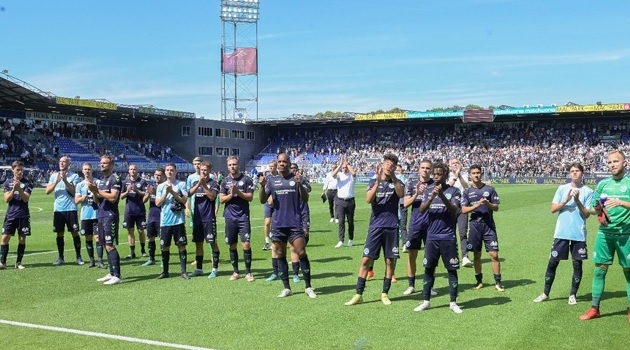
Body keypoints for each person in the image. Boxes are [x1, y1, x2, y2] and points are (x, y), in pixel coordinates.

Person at [345, 154, 404, 306]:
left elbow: (401, 194)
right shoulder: (373, 181)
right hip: (375, 226)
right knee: (366, 260)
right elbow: (368, 199)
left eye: (392, 164)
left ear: (395, 167)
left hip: (391, 226)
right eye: (387, 163)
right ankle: (358, 294)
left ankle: (384, 293)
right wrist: (378, 181)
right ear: (383, 164)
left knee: (390, 261)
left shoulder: (397, 182)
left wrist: (394, 178)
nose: (389, 166)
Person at [580, 150, 630, 321]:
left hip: (626, 235)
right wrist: (600, 213)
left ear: (625, 163)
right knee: (599, 271)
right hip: (605, 235)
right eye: (609, 162)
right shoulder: (603, 184)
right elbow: (596, 209)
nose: (612, 165)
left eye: (616, 161)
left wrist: (621, 202)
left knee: (628, 272)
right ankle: (595, 308)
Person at [534, 162, 593, 304]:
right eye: (572, 171)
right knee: (552, 263)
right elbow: (553, 209)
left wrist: (577, 200)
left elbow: (587, 214)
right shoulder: (562, 189)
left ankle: (573, 294)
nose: (575, 173)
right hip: (561, 233)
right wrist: (566, 200)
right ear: (569, 173)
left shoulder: (589, 192)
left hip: (578, 235)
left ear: (582, 173)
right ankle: (545, 293)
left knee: (577, 265)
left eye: (577, 171)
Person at [259, 153, 316, 298]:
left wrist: (299, 185)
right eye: (280, 161)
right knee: (280, 254)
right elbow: (262, 199)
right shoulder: (272, 181)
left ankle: (308, 286)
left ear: (289, 163)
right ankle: (286, 287)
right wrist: (262, 186)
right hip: (278, 224)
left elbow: (305, 198)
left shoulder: (296, 179)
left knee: (301, 251)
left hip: (294, 223)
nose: (282, 163)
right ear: (277, 163)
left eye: (285, 161)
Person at [413, 161, 463, 314]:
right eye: (434, 174)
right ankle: (426, 301)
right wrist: (431, 197)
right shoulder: (428, 190)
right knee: (429, 269)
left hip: (448, 236)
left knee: (451, 270)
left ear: (445, 175)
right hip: (431, 237)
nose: (436, 176)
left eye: (439, 174)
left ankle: (453, 302)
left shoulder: (454, 191)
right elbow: (421, 209)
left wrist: (441, 195)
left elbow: (454, 210)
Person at [461, 165, 505, 292]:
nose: (476, 175)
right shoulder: (467, 192)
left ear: (481, 174)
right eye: (473, 173)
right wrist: (476, 206)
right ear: (470, 175)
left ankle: (498, 282)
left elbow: (496, 207)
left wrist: (487, 204)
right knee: (476, 255)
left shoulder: (490, 189)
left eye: (478, 173)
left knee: (494, 254)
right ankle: (479, 281)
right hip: (475, 225)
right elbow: (464, 210)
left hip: (488, 225)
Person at [402, 159, 437, 296]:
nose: (425, 170)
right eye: (422, 167)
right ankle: (411, 285)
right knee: (412, 255)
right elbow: (405, 204)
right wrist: (417, 193)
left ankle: (430, 286)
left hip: (431, 225)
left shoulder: (435, 184)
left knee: (431, 256)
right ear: (419, 169)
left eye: (428, 168)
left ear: (431, 170)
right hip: (416, 225)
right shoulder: (411, 184)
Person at [220, 156, 256, 281]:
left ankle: (248, 272)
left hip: (243, 217)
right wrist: (231, 194)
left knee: (246, 244)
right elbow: (221, 199)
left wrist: (238, 193)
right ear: (227, 166)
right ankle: (235, 272)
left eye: (234, 164)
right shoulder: (225, 181)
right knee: (232, 245)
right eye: (230, 165)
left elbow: (250, 197)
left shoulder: (246, 180)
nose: (232, 167)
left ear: (239, 165)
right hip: (230, 217)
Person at [91, 155, 123, 285]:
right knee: (104, 244)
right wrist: (94, 192)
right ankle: (111, 273)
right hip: (101, 214)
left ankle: (118, 275)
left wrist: (97, 190)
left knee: (110, 244)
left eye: (105, 163)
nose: (102, 165)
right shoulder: (102, 181)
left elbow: (113, 197)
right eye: (101, 163)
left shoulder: (115, 178)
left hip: (110, 216)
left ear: (111, 165)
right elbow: (97, 200)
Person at [46, 155, 83, 266]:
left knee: (74, 232)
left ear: (68, 164)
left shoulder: (74, 176)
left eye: (64, 162)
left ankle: (78, 256)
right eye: (60, 161)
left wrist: (66, 181)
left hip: (71, 208)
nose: (61, 163)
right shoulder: (54, 176)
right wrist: (56, 181)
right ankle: (61, 257)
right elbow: (47, 191)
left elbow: (74, 192)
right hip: (58, 210)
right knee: (59, 233)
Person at [155, 163, 190, 280]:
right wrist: (166, 192)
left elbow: (184, 200)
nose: (169, 172)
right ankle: (165, 271)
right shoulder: (160, 187)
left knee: (181, 246)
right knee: (165, 247)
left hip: (178, 220)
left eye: (172, 170)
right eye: (168, 170)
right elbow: (157, 203)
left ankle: (184, 271)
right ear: (165, 172)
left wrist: (172, 192)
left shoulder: (181, 184)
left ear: (175, 172)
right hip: (165, 221)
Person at [189, 161, 221, 278]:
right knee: (198, 244)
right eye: (202, 170)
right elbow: (188, 194)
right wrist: (198, 184)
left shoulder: (214, 184)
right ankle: (199, 269)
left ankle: (215, 268)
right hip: (197, 218)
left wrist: (204, 185)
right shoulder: (195, 182)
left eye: (205, 170)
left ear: (209, 171)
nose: (203, 172)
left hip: (208, 218)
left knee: (212, 243)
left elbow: (212, 197)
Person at [0, 161, 32, 270]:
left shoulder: (28, 183)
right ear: (13, 170)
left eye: (21, 169)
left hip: (23, 215)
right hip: (11, 214)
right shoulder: (7, 183)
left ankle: (18, 262)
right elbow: (6, 199)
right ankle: (2, 263)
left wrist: (19, 189)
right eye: (18, 169)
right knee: (4, 237)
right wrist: (14, 189)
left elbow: (26, 198)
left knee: (22, 238)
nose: (20, 172)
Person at [74, 162, 103, 268]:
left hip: (97, 214)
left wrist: (94, 191)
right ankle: (92, 260)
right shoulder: (80, 185)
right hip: (85, 215)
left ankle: (100, 260)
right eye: (85, 169)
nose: (87, 171)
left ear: (92, 170)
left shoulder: (98, 182)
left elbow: (100, 197)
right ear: (82, 171)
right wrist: (85, 194)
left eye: (89, 169)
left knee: (98, 237)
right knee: (88, 237)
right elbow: (77, 200)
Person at [120, 164, 149, 259]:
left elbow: (144, 194)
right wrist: (127, 192)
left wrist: (136, 190)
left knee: (141, 231)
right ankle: (132, 252)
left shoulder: (142, 181)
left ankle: (143, 250)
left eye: (134, 169)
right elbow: (121, 196)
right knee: (130, 231)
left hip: (140, 210)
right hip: (129, 211)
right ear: (128, 170)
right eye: (131, 169)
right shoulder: (125, 182)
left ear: (137, 170)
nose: (132, 171)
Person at [449, 158, 473, 268]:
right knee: (451, 233)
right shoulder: (446, 175)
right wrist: (454, 176)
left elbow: (466, 187)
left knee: (463, 232)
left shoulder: (463, 175)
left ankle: (465, 256)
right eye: (453, 163)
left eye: (457, 163)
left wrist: (459, 175)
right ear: (449, 165)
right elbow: (447, 188)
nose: (455, 165)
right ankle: (453, 256)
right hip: (450, 207)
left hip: (463, 206)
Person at [290, 163, 311, 282]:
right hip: (292, 215)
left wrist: (301, 182)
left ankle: (300, 262)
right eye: (291, 169)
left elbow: (309, 189)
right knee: (293, 246)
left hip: (303, 213)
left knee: (305, 239)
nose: (293, 171)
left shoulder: (301, 180)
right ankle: (295, 273)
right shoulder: (287, 181)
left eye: (294, 169)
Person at [141, 167, 165, 266]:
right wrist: (148, 193)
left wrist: (155, 192)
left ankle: (164, 259)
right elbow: (144, 201)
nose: (157, 177)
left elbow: (164, 201)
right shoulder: (152, 186)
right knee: (150, 237)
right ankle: (151, 258)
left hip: (161, 216)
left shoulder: (165, 187)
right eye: (156, 175)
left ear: (163, 176)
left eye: (159, 175)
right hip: (151, 216)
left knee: (162, 239)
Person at [333, 155, 356, 248]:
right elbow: (333, 174)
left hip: (350, 201)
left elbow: (354, 173)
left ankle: (351, 239)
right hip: (340, 201)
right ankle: (341, 240)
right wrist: (340, 164)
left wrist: (347, 163)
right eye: (343, 168)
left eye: (345, 168)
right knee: (341, 221)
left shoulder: (352, 177)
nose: (344, 169)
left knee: (350, 221)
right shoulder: (339, 175)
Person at [261, 160, 278, 251]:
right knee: (267, 223)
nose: (271, 168)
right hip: (268, 203)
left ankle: (275, 241)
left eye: (272, 166)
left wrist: (273, 196)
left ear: (276, 167)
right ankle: (267, 242)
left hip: (277, 203)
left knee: (275, 223)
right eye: (270, 166)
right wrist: (268, 198)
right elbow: (265, 191)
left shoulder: (279, 177)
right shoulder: (267, 178)